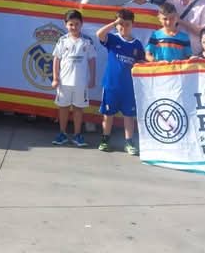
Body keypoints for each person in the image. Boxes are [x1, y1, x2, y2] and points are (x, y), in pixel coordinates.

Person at [94, 9, 146, 154]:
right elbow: (99, 34)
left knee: (129, 115)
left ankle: (129, 142)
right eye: (120, 24)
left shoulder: (137, 44)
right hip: (111, 85)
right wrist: (114, 23)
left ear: (133, 25)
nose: (124, 27)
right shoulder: (113, 39)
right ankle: (105, 139)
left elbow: (141, 61)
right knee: (108, 114)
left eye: (127, 24)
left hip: (129, 87)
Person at [50, 9, 97, 148]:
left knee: (78, 108)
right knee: (63, 108)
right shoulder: (62, 40)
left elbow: (92, 60)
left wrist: (92, 78)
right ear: (65, 24)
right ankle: (62, 133)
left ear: (81, 24)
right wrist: (55, 78)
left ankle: (77, 135)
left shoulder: (87, 41)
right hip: (64, 82)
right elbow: (56, 59)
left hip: (80, 83)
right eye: (71, 24)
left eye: (77, 24)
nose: (74, 27)